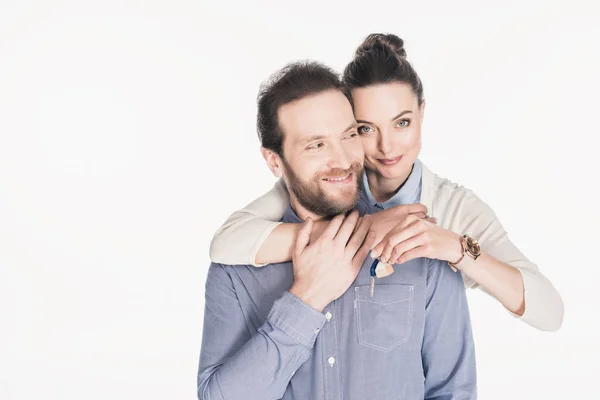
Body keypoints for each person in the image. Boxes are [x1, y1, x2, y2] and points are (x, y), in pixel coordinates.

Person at [209, 33, 563, 331]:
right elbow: (227, 241)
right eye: (365, 129)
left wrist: (456, 248)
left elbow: (550, 312)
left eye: (402, 123)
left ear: (422, 114)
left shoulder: (452, 205)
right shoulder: (332, 186)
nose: (387, 146)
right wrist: (365, 229)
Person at [197, 61, 476, 399]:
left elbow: (454, 390)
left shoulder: (416, 242)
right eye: (316, 145)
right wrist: (306, 299)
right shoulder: (235, 271)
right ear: (274, 161)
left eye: (349, 135)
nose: (343, 160)